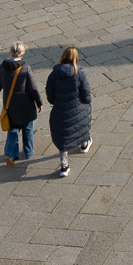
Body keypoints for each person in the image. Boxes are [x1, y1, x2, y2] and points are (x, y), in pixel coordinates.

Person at [0, 42, 44, 168]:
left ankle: (11, 154)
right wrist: (39, 102)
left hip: (10, 107)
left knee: (12, 130)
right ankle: (28, 152)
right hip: (26, 107)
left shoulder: (1, 68)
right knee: (28, 129)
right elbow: (33, 88)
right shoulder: (25, 68)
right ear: (22, 54)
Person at [45, 46, 93, 178]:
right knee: (82, 124)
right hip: (77, 107)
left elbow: (49, 95)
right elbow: (86, 93)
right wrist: (86, 102)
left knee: (62, 138)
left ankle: (64, 166)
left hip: (60, 110)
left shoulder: (54, 74)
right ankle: (84, 144)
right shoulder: (80, 73)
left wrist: (55, 101)